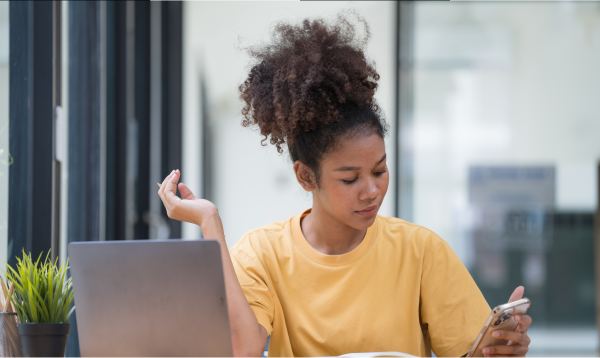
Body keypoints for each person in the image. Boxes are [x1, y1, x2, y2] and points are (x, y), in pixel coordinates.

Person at [157, 10, 532, 358]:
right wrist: (211, 225)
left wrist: (499, 348)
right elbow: (242, 350)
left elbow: (471, 352)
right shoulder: (262, 254)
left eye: (380, 171)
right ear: (306, 176)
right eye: (350, 178)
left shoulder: (421, 252)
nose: (371, 190)